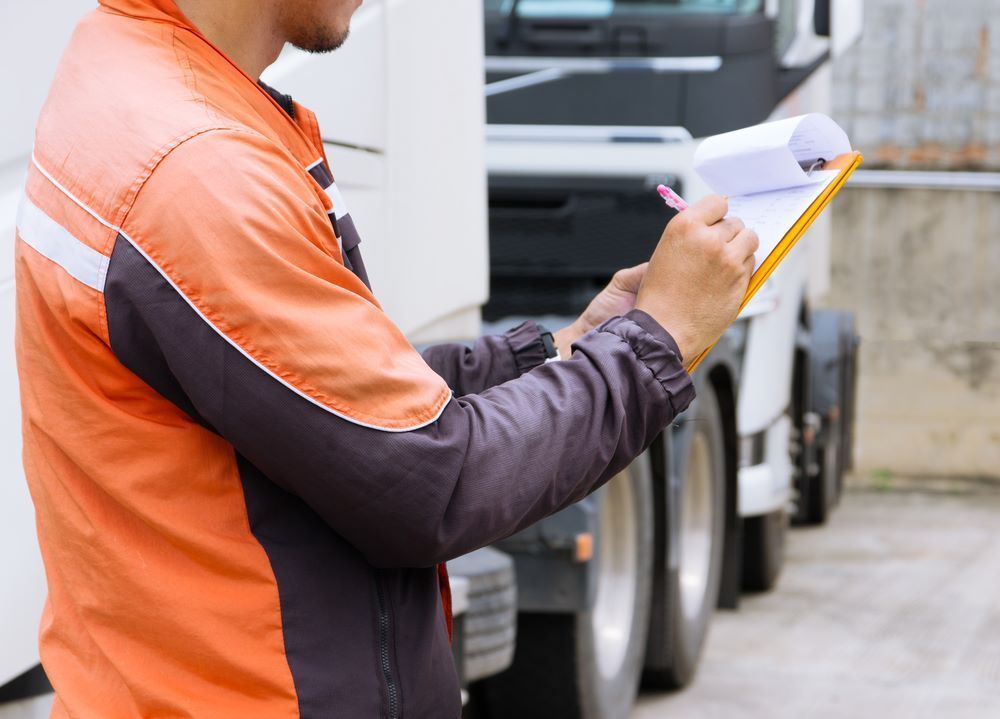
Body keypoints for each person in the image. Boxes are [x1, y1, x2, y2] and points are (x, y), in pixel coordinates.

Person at [14, 0, 759, 716]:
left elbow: (323, 405)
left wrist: (557, 352)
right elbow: (433, 481)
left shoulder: (126, 74)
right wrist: (656, 341)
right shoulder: (197, 172)